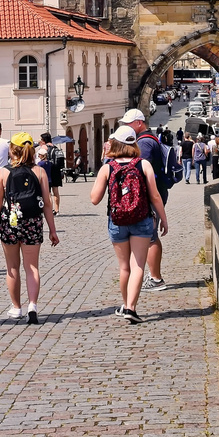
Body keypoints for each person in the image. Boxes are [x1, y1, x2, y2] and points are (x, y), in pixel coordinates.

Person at [89, 128, 168, 324]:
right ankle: (131, 308)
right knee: (138, 265)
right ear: (134, 144)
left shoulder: (108, 167)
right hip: (142, 219)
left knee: (124, 267)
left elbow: (94, 199)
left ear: (114, 143)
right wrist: (163, 219)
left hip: (117, 221)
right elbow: (155, 196)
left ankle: (126, 305)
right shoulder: (144, 164)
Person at [0, 132, 59, 323]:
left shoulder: (3, 172)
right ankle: (33, 306)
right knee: (32, 267)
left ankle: (16, 307)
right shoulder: (40, 171)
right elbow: (47, 203)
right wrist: (52, 230)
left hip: (10, 222)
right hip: (33, 222)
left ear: (12, 150)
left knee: (12, 267)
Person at [121, 109, 174, 292]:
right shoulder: (148, 139)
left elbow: (141, 172)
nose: (127, 127)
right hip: (154, 193)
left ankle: (156, 278)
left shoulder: (144, 143)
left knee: (150, 236)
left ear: (138, 123)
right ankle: (153, 276)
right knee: (149, 235)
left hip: (150, 195)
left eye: (128, 124)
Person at [35, 133, 62, 214]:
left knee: (48, 193)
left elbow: (38, 159)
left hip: (48, 172)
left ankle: (49, 209)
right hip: (56, 171)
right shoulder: (55, 147)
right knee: (56, 191)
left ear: (43, 140)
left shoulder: (44, 148)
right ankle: (57, 210)